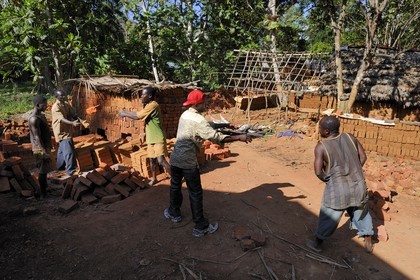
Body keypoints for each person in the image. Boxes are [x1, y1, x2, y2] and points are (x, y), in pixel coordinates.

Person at [164, 89, 252, 238]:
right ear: (198, 103)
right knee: (195, 193)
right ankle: (200, 226)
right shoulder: (199, 120)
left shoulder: (186, 114)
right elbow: (214, 137)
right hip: (188, 161)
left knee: (175, 185)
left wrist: (226, 126)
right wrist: (239, 137)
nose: (205, 104)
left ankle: (174, 213)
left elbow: (205, 126)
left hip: (175, 158)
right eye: (203, 102)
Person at [306, 116, 374, 253]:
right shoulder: (350, 137)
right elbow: (363, 157)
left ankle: (317, 244)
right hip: (358, 185)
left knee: (329, 216)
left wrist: (329, 180)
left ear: (326, 131)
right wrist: (355, 172)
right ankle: (368, 241)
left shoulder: (321, 147)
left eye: (320, 128)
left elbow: (318, 171)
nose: (318, 130)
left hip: (338, 190)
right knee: (361, 212)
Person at [118, 87, 170, 185]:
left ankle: (175, 179)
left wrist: (124, 113)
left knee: (161, 160)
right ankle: (154, 179)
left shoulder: (153, 105)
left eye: (143, 95)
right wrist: (125, 112)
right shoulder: (148, 105)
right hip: (151, 137)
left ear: (150, 96)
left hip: (158, 137)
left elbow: (138, 116)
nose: (141, 97)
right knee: (152, 159)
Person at [51, 89, 82, 176]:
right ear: (57, 97)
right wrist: (72, 123)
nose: (64, 97)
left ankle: (59, 167)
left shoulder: (65, 104)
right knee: (69, 151)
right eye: (62, 95)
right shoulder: (55, 107)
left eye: (64, 95)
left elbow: (72, 113)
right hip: (61, 132)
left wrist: (79, 119)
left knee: (62, 150)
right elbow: (62, 119)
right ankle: (71, 171)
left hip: (67, 130)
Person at [29, 95, 52, 198]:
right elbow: (37, 137)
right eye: (44, 105)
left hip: (44, 145)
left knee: (45, 169)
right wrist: (44, 152)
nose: (46, 106)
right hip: (40, 148)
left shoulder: (40, 115)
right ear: (37, 105)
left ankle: (45, 187)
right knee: (42, 171)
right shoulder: (34, 119)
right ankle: (43, 194)